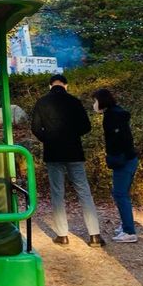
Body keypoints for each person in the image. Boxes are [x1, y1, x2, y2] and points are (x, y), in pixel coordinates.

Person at [31, 73, 104, 247]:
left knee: (57, 192)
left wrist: (48, 138)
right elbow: (86, 126)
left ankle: (62, 235)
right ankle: (94, 235)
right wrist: (71, 136)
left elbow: (35, 128)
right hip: (74, 152)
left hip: (53, 152)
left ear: (50, 86)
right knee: (83, 190)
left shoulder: (41, 102)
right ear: (66, 85)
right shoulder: (74, 101)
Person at [93, 88, 139, 243]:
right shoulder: (117, 113)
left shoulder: (112, 116)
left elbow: (120, 140)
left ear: (102, 101)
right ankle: (126, 225)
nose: (94, 104)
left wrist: (116, 156)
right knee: (121, 193)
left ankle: (129, 231)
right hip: (129, 159)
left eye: (95, 101)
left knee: (120, 194)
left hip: (123, 161)